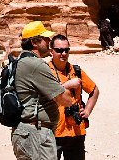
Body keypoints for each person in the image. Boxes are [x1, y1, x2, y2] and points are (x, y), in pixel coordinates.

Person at [12, 21, 80, 160]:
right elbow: (65, 99)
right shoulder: (36, 65)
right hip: (36, 135)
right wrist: (67, 85)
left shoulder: (19, 61)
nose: (49, 41)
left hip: (26, 133)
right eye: (45, 38)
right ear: (34, 42)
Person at [47, 34, 99, 160]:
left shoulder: (76, 71)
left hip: (76, 130)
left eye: (66, 50)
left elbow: (94, 90)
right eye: (59, 50)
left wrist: (87, 111)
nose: (63, 53)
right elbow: (45, 95)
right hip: (53, 131)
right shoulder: (45, 71)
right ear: (51, 52)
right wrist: (67, 85)